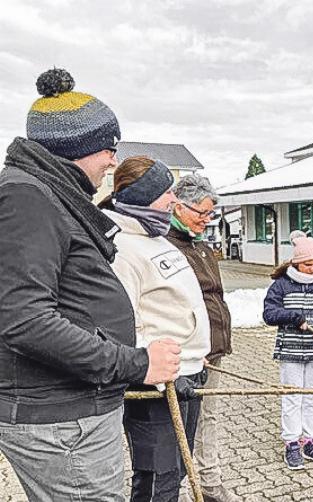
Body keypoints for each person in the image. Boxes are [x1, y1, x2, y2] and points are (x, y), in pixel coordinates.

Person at [0, 68, 180, 501]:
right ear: (79, 148)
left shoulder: (45, 194)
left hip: (71, 412)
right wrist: (136, 365)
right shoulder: (28, 198)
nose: (113, 162)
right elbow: (24, 321)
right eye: (109, 149)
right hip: (61, 419)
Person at [99, 156, 211, 501]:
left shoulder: (156, 235)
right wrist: (162, 374)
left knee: (177, 470)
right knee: (156, 478)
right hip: (158, 384)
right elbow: (121, 323)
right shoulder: (122, 249)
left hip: (188, 375)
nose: (173, 201)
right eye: (166, 193)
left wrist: (196, 356)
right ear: (146, 196)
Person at [167, 174, 238, 502]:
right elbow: (170, 306)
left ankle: (209, 486)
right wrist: (193, 347)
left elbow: (214, 297)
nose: (207, 220)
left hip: (213, 349)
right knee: (183, 424)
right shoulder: (167, 247)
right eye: (202, 213)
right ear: (179, 206)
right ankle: (184, 487)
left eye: (211, 214)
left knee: (209, 419)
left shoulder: (202, 246)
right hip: (190, 355)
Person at [263, 231, 313, 470]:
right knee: (293, 396)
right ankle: (292, 443)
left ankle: (311, 440)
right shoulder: (281, 285)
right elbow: (269, 314)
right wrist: (294, 318)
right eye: (308, 264)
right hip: (291, 349)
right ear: (296, 262)